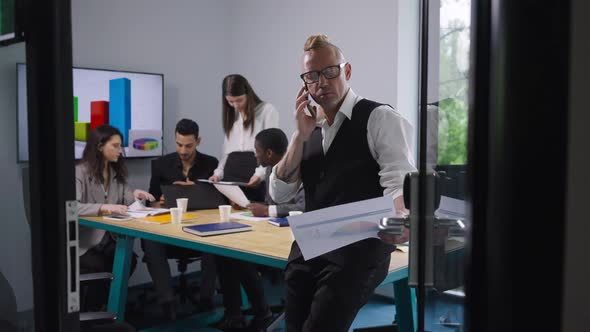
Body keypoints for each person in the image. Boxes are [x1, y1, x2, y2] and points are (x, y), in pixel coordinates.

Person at [269, 35, 416, 331]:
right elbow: (280, 192)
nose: (321, 82)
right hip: (311, 245)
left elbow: (398, 181)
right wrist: (299, 135)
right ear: (305, 85)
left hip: (358, 248)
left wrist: (402, 216)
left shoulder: (380, 118)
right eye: (312, 76)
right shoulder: (308, 129)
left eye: (330, 71)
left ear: (346, 72)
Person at [213, 128, 304, 331]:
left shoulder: (297, 168)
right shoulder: (272, 169)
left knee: (239, 255)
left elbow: (302, 207)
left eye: (257, 151)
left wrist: (268, 210)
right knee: (225, 251)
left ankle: (263, 313)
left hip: (292, 236)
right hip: (270, 231)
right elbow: (270, 203)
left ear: (269, 153)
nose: (255, 155)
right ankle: (234, 315)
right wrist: (249, 204)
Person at [76, 124, 155, 332]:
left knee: (128, 261)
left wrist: (136, 194)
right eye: (116, 146)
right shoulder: (80, 172)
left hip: (108, 239)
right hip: (86, 243)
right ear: (100, 146)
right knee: (98, 265)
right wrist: (103, 208)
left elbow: (124, 198)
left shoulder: (113, 172)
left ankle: (102, 310)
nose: (120, 150)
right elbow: (72, 206)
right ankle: (92, 315)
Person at [142, 119, 219, 320]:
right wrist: (160, 201)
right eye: (178, 144)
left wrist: (194, 190)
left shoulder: (211, 164)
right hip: (169, 232)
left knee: (218, 241)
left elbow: (219, 201)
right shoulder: (160, 165)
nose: (183, 150)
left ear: (198, 141)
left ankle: (206, 297)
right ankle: (167, 301)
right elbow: (151, 201)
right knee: (149, 240)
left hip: (201, 232)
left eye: (188, 145)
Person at [208, 74, 279, 202]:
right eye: (230, 101)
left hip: (254, 177)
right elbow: (226, 152)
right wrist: (218, 174)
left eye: (239, 100)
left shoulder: (267, 111)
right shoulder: (232, 117)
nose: (235, 105)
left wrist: (260, 174)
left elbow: (271, 150)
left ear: (248, 94)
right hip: (232, 179)